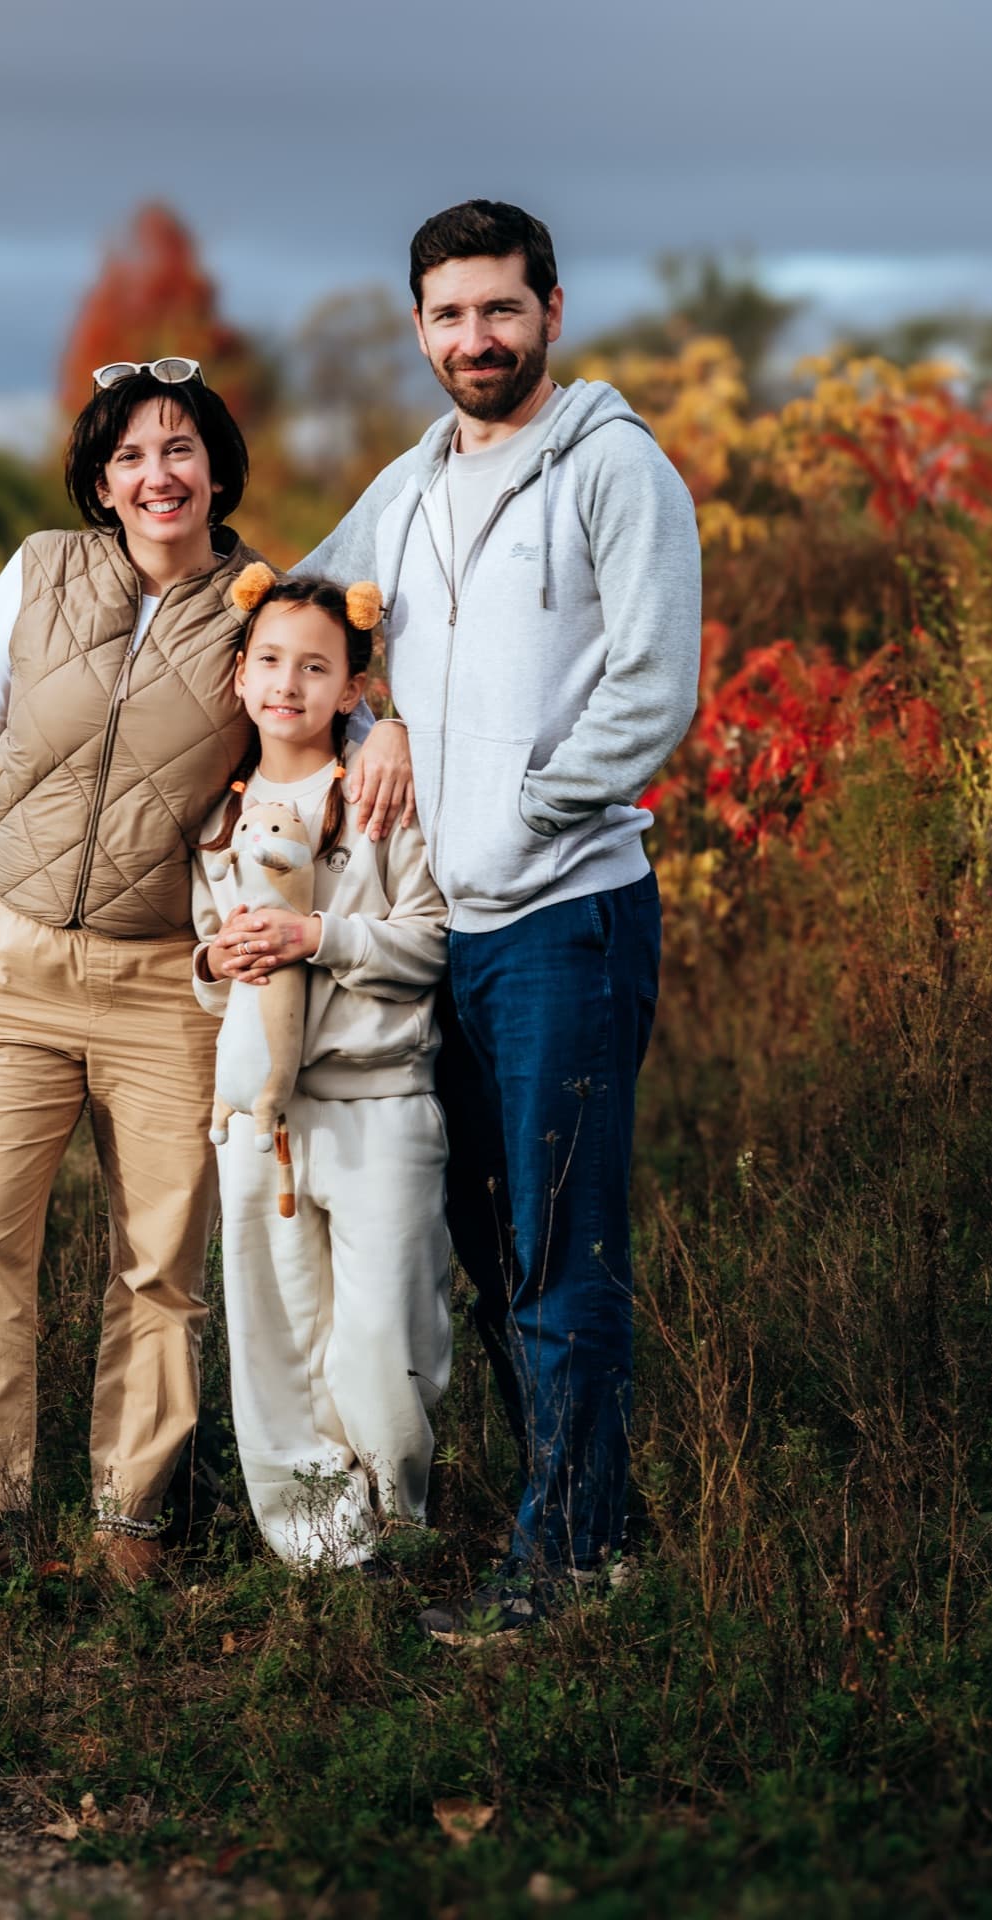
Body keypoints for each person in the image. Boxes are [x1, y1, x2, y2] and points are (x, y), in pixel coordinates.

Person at [0, 362, 412, 1616]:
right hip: (12, 966)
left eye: (180, 450)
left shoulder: (253, 602)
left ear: (218, 464)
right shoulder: (40, 569)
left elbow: (334, 694)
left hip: (169, 981)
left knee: (159, 1260)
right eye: (129, 458)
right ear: (99, 481)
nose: (157, 477)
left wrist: (397, 736)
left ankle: (134, 1515)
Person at [298, 201, 702, 1636]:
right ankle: (588, 1509)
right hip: (444, 938)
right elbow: (302, 603)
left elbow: (654, 691)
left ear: (550, 312)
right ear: (417, 327)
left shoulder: (615, 471)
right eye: (449, 315)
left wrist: (516, 815)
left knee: (555, 1244)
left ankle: (575, 1559)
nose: (475, 339)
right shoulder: (404, 493)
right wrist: (379, 713)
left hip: (564, 922)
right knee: (484, 1239)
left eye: (500, 310)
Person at [191, 567, 451, 1569]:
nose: (286, 683)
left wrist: (320, 936)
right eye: (267, 661)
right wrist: (219, 959)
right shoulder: (220, 814)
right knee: (279, 1343)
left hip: (377, 1102)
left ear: (353, 688)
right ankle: (324, 1551)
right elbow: (211, 968)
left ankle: (400, 1519)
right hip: (260, 1119)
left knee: (383, 1339)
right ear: (240, 677)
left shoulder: (382, 798)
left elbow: (427, 945)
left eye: (314, 667)